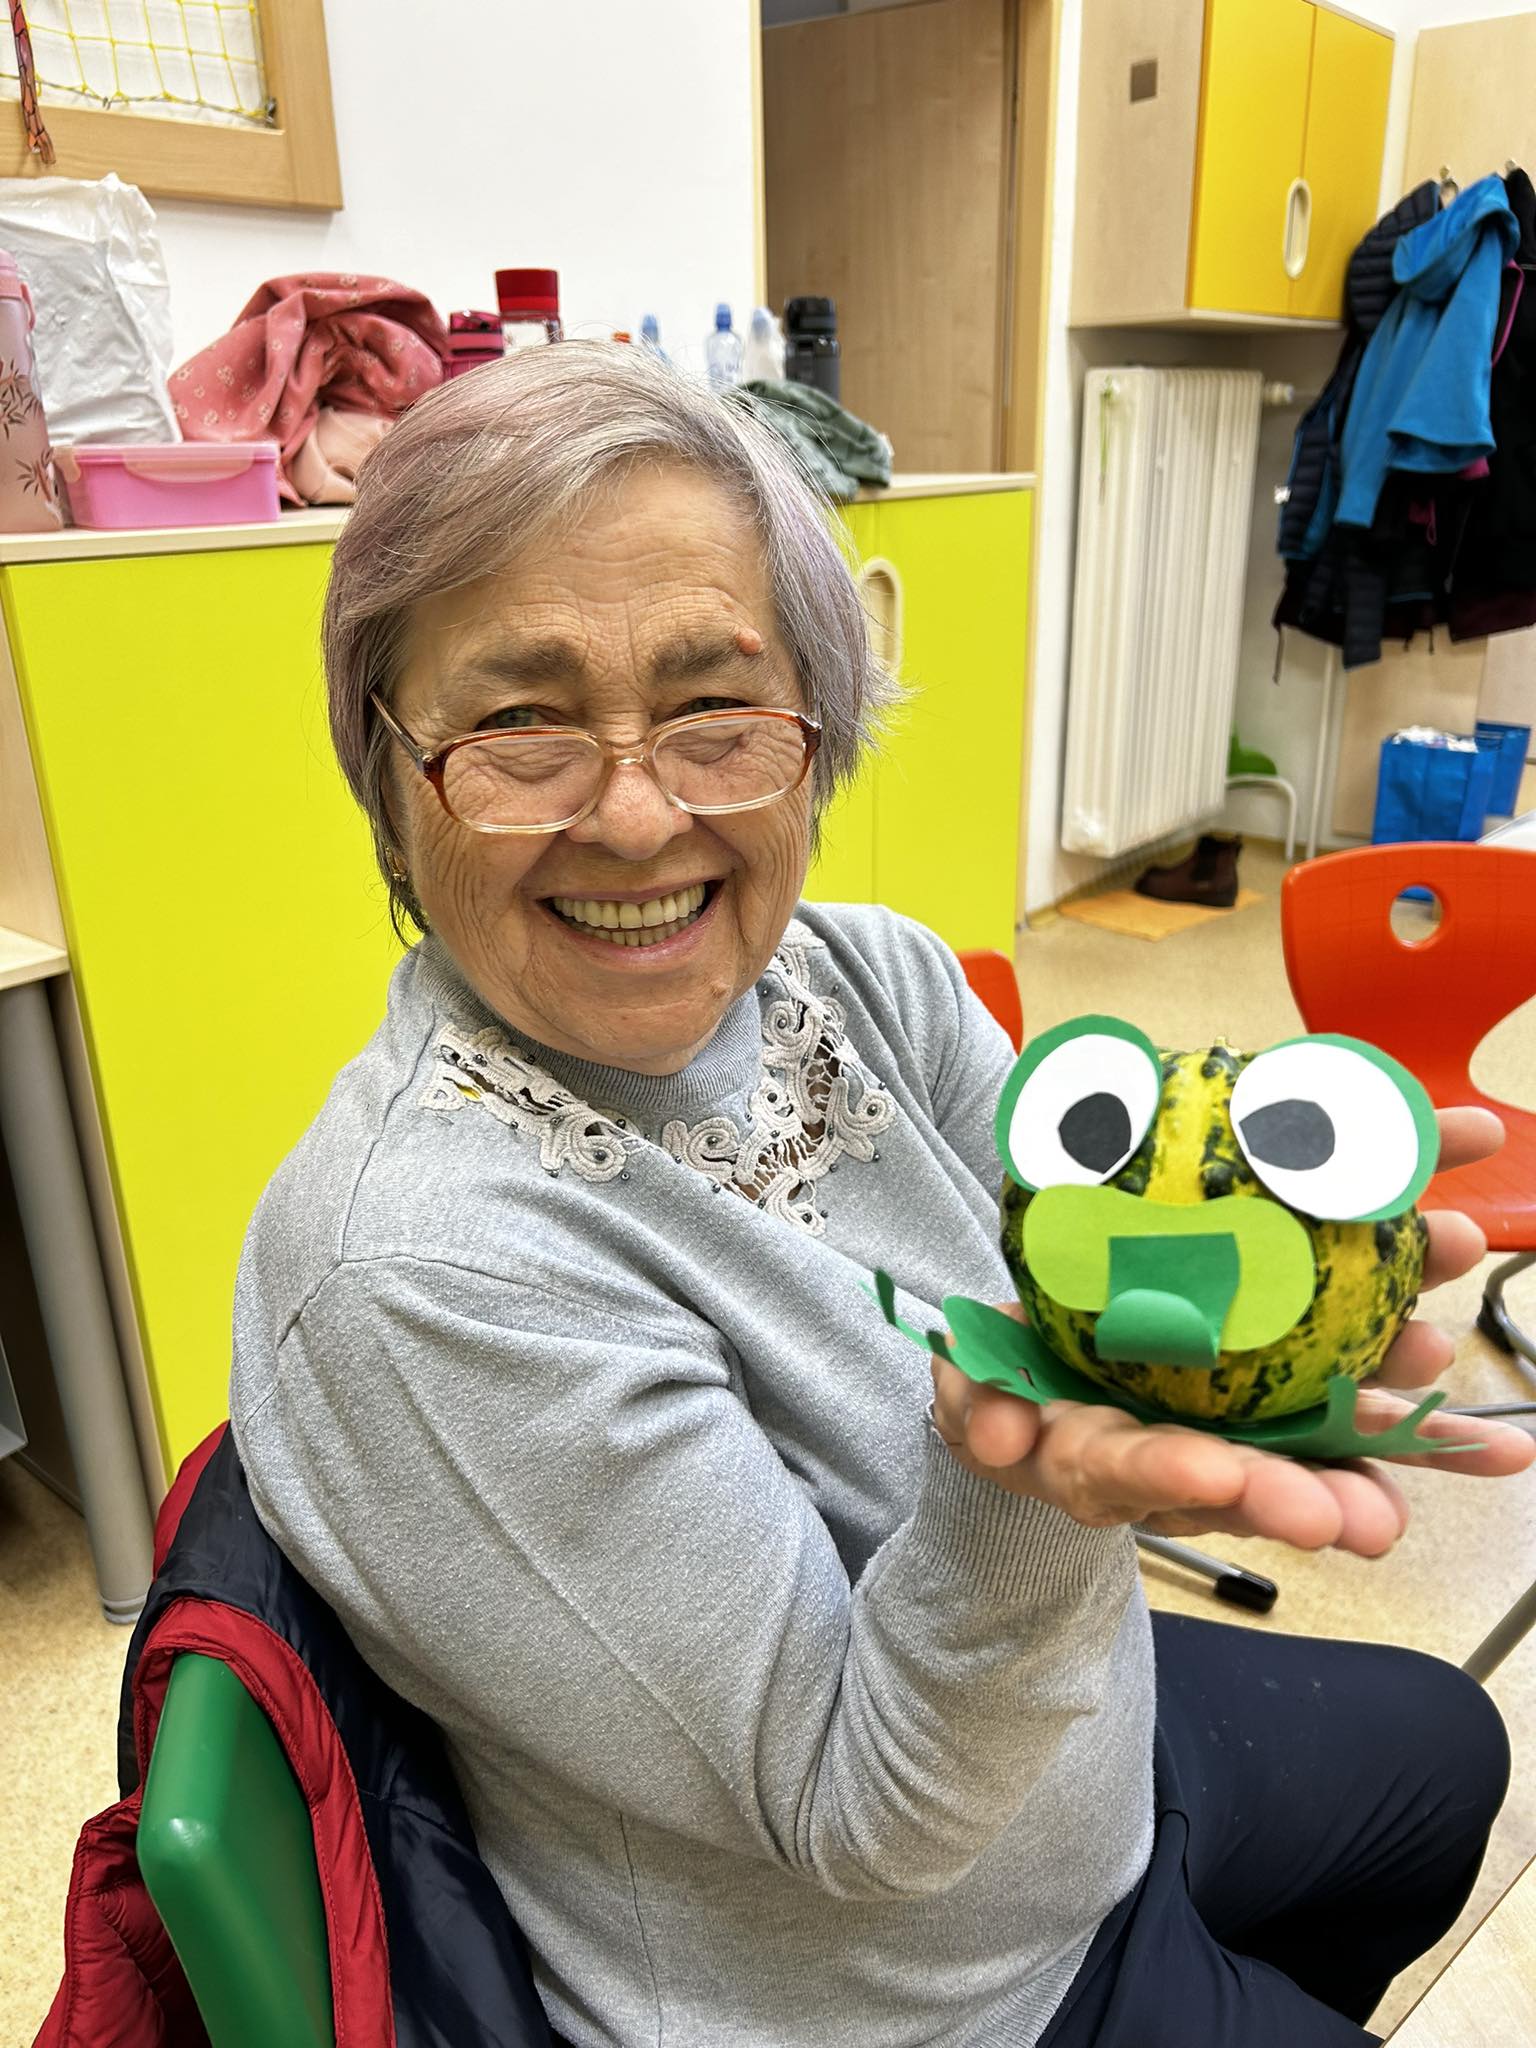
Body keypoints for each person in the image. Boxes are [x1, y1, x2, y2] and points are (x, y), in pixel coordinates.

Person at [231, 342, 1533, 2048]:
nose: (638, 815)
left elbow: (1091, 1294)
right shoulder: (426, 1269)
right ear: (390, 782)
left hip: (1070, 1750)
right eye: (519, 725)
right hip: (904, 1990)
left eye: (715, 708)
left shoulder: (865, 980)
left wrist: (1250, 1294)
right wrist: (1041, 1494)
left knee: (1450, 1753)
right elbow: (862, 1810)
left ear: (815, 727)